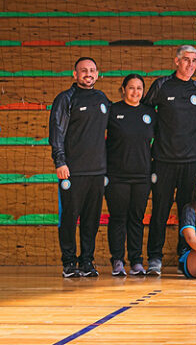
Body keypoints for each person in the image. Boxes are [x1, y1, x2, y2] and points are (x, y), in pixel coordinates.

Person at [143, 45, 196, 275]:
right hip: (163, 160)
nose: (190, 64)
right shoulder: (162, 85)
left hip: (192, 161)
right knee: (160, 210)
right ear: (176, 61)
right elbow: (143, 113)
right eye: (186, 60)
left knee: (187, 211)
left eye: (194, 60)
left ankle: (184, 254)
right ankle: (154, 258)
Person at [49, 57, 110, 277]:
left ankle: (86, 262)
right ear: (74, 74)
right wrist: (60, 161)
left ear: (97, 74)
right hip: (72, 171)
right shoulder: (65, 99)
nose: (88, 74)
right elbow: (57, 132)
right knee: (69, 218)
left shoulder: (102, 99)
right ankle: (68, 263)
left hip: (97, 172)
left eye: (92, 70)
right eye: (83, 70)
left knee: (91, 220)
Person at [105, 74, 156, 276]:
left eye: (139, 88)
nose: (135, 92)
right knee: (118, 218)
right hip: (117, 176)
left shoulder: (150, 113)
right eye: (131, 88)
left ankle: (136, 261)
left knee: (136, 218)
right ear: (123, 89)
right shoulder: (112, 111)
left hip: (142, 176)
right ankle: (117, 260)